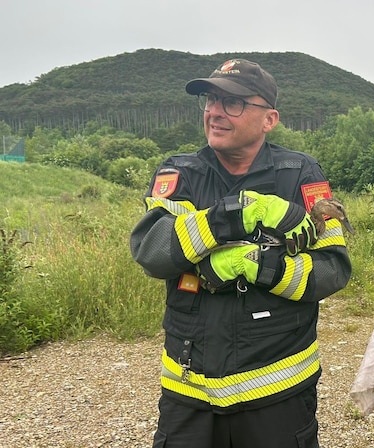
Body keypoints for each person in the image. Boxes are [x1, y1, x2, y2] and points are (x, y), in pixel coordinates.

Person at [130, 58, 352, 448]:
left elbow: (333, 267)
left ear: (269, 119)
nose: (214, 112)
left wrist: (261, 267)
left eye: (232, 103)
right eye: (211, 101)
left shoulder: (301, 174)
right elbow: (152, 250)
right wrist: (229, 218)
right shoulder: (180, 174)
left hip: (278, 395)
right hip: (189, 393)